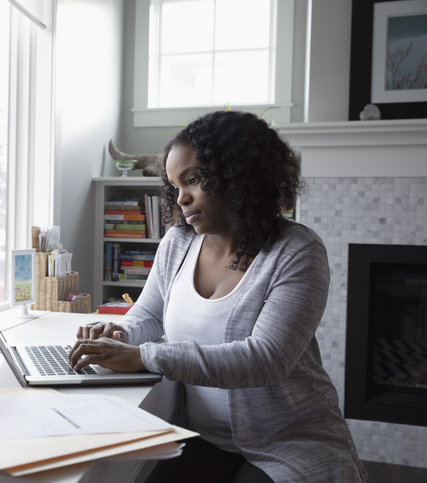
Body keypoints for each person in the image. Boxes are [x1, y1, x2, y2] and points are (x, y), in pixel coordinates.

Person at [69, 111, 367, 482]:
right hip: (201, 436)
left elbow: (267, 359)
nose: (182, 198)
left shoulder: (296, 251)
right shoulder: (178, 243)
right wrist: (119, 335)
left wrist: (144, 356)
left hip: (290, 440)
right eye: (175, 186)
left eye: (193, 180)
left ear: (238, 174)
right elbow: (148, 314)